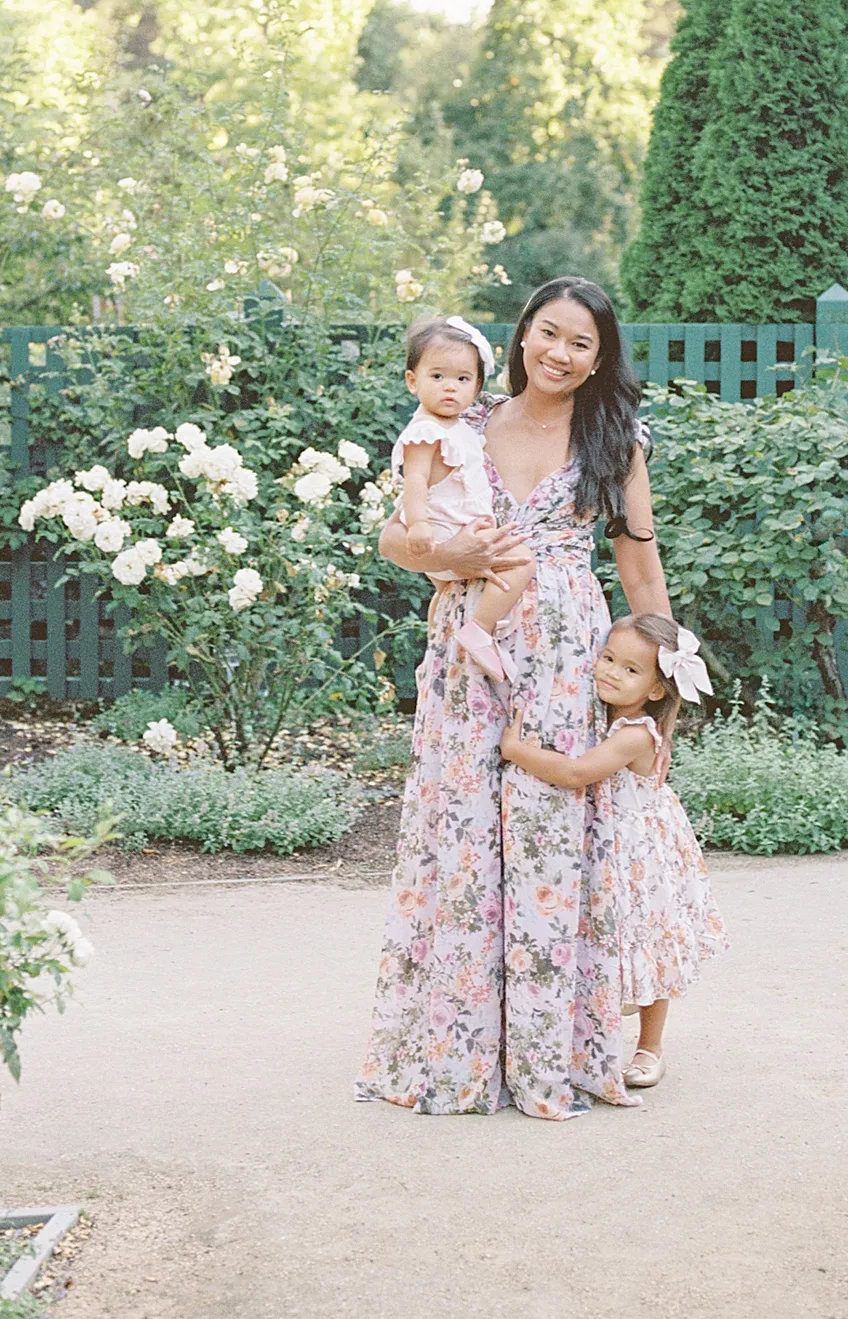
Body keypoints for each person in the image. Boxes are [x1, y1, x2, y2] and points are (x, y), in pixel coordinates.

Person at [355, 276, 672, 1120]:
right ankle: (458, 1049)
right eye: (549, 333)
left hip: (570, 652)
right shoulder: (461, 419)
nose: (560, 354)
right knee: (458, 833)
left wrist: (661, 686)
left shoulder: (614, 436)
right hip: (469, 644)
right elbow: (396, 535)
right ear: (523, 331)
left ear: (600, 358)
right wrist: (450, 555)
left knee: (549, 832)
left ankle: (548, 1049)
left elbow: (640, 566)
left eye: (581, 343)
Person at [501, 612, 728, 1090]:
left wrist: (514, 749)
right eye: (607, 659)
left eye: (629, 670)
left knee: (647, 942)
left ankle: (651, 1046)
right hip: (608, 846)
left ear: (656, 690)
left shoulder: (635, 734)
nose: (609, 672)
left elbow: (577, 773)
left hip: (637, 853)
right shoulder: (599, 714)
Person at [391, 313, 535, 684]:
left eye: (462, 379)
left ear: (476, 386)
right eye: (437, 377)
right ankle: (480, 630)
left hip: (449, 532)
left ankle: (437, 643)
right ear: (412, 381)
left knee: (444, 593)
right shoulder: (424, 430)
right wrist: (419, 524)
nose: (449, 388)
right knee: (521, 560)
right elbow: (416, 479)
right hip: (440, 531)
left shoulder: (456, 427)